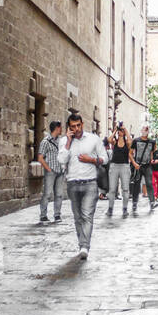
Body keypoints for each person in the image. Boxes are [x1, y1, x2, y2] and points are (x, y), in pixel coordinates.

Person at [58, 111, 108, 259]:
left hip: (90, 183)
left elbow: (105, 158)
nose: (77, 129)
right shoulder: (64, 141)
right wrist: (68, 141)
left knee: (87, 216)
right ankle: (82, 243)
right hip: (73, 184)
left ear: (82, 124)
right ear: (69, 127)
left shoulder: (94, 139)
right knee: (78, 217)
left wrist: (92, 160)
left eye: (78, 125)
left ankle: (84, 246)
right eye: (73, 127)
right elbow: (61, 160)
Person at [37, 120, 65, 224]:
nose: (61, 129)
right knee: (47, 194)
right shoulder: (45, 142)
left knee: (59, 194)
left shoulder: (61, 141)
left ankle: (57, 215)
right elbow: (40, 158)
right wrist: (48, 169)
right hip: (51, 172)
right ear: (57, 128)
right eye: (60, 128)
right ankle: (43, 215)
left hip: (60, 172)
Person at [106, 122, 134, 219]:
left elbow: (131, 141)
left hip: (124, 166)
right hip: (114, 166)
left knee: (125, 189)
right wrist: (115, 130)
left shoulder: (127, 143)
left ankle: (125, 209)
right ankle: (110, 209)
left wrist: (125, 129)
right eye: (120, 131)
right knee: (112, 189)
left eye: (121, 131)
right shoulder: (115, 141)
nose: (121, 132)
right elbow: (109, 139)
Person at [130, 124, 158, 214]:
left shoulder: (152, 142)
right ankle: (134, 202)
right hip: (138, 165)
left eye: (146, 130)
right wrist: (134, 163)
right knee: (136, 185)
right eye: (144, 129)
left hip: (147, 165)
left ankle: (152, 202)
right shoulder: (136, 141)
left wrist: (152, 159)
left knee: (149, 183)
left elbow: (152, 152)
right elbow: (130, 153)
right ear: (141, 131)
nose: (145, 131)